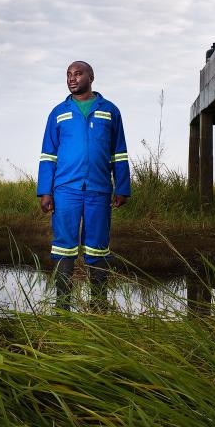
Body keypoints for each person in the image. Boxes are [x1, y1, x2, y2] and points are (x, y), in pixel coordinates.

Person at [37, 61, 130, 310]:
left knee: (98, 247)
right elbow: (48, 155)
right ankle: (62, 305)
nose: (72, 78)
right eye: (68, 75)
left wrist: (122, 187)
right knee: (64, 246)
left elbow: (118, 153)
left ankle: (98, 304)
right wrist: (46, 191)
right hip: (65, 189)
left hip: (99, 190)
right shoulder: (58, 112)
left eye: (78, 74)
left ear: (91, 77)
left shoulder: (110, 111)